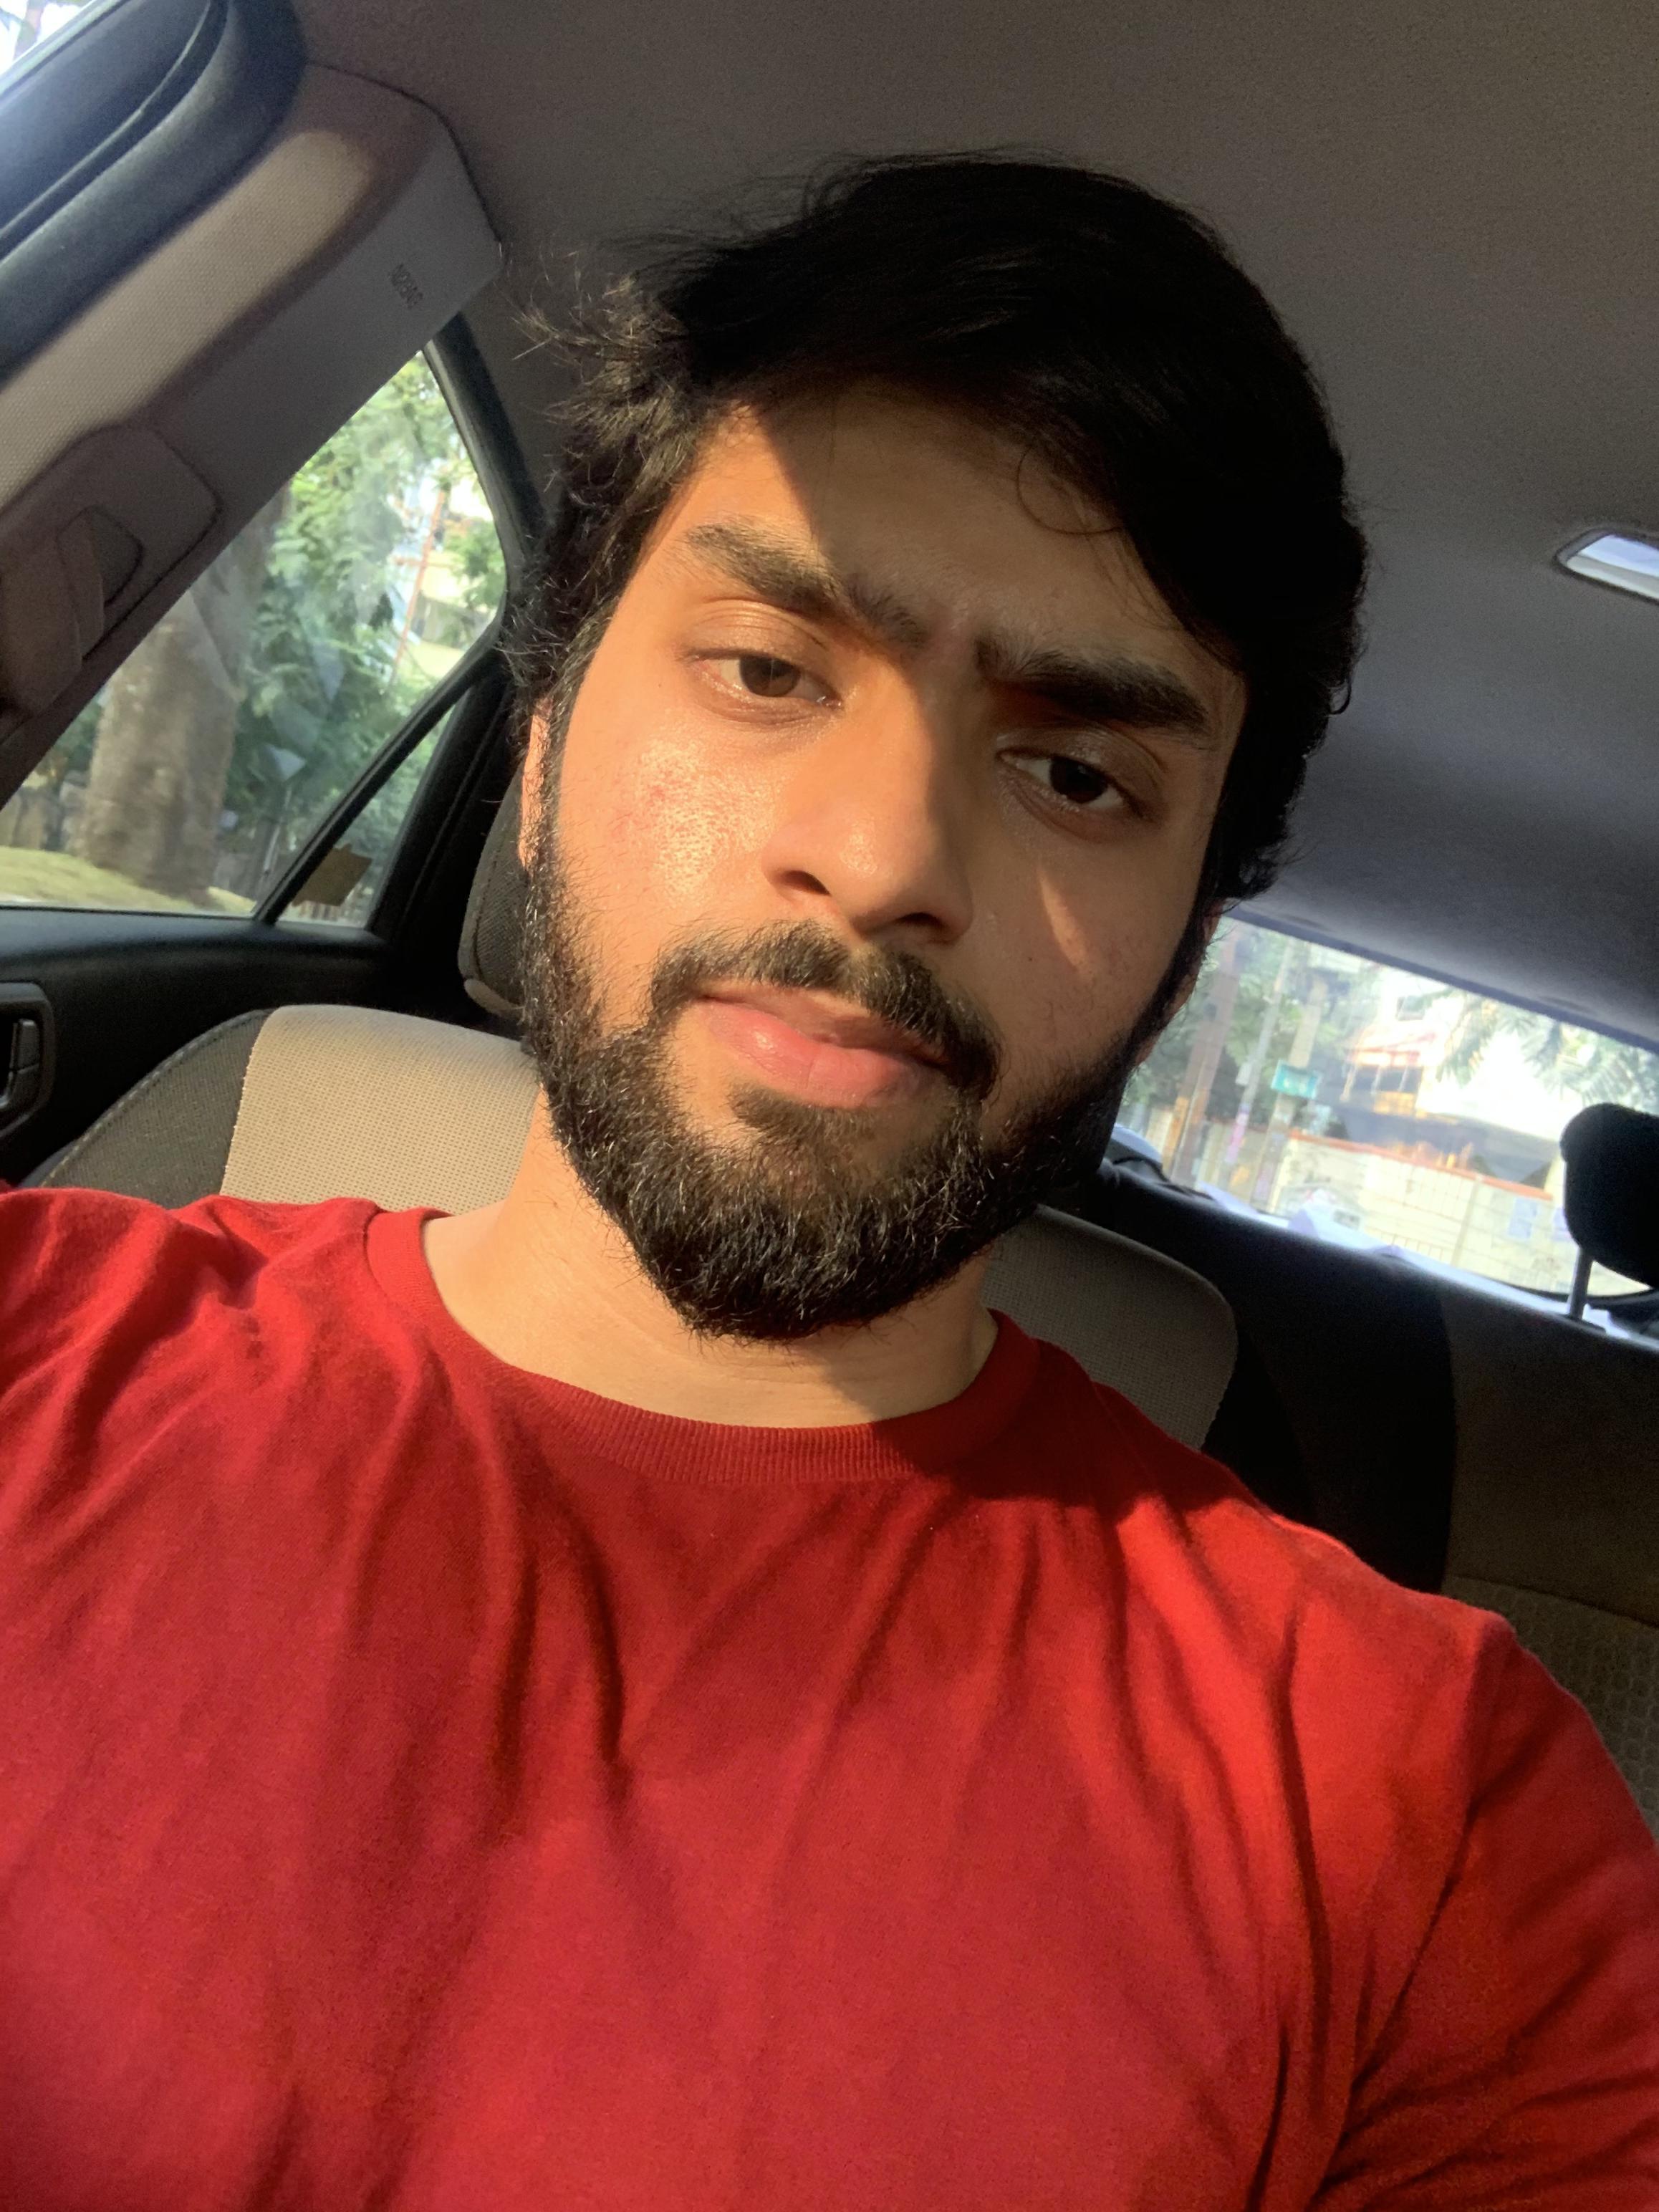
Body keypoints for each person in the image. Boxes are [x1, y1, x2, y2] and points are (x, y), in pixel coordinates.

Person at [1, 155, 1655, 2210]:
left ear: (1179, 940)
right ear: (544, 737)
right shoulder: (32, 1348)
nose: (881, 861)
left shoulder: (1426, 1821)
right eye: (770, 671)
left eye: (1076, 774)